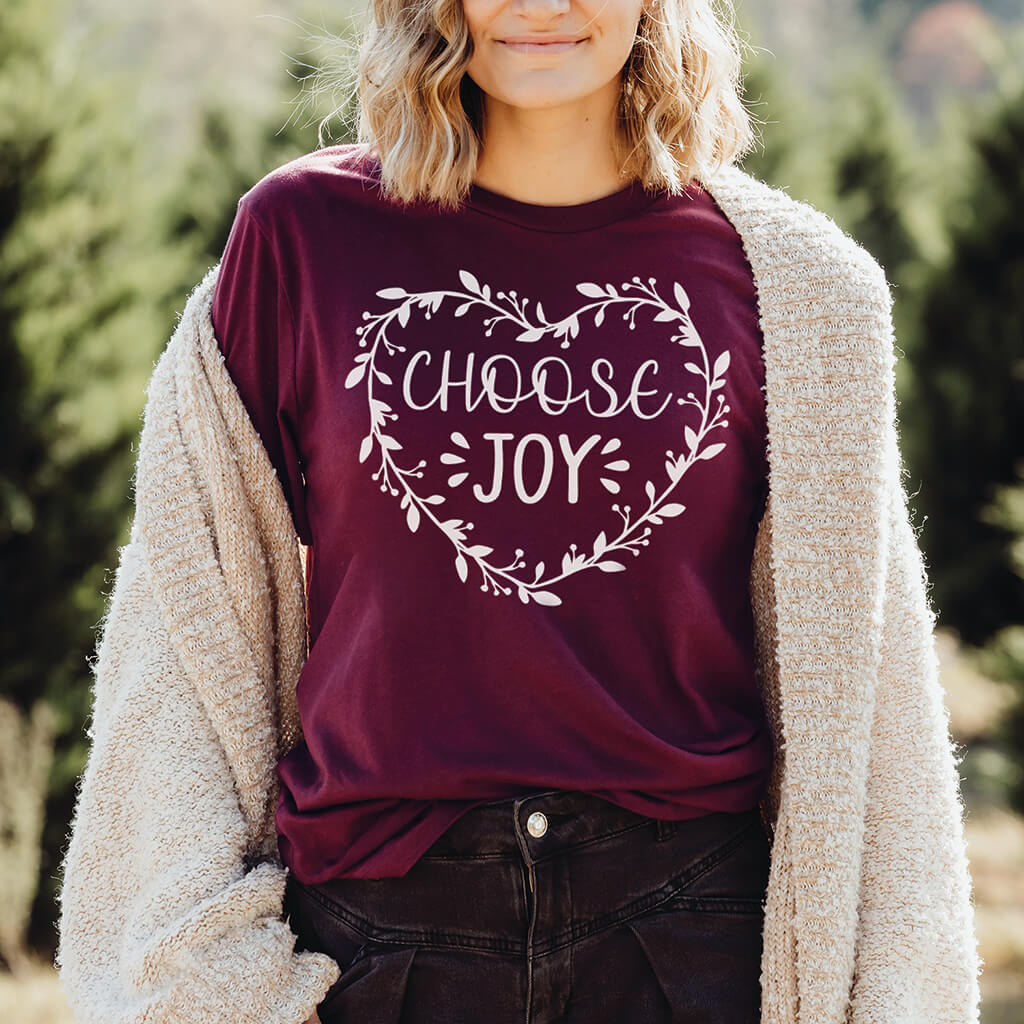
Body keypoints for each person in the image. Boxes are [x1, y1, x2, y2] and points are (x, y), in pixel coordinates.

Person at [55, 0, 983, 1022]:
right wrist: (218, 974)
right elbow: (185, 634)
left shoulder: (802, 291)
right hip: (379, 934)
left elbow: (873, 694)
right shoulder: (302, 238)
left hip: (688, 939)